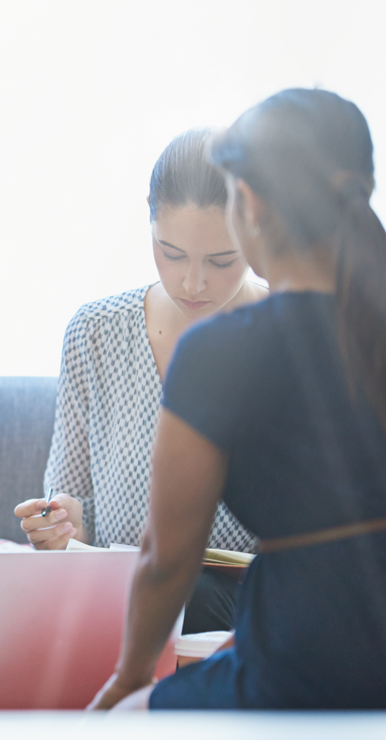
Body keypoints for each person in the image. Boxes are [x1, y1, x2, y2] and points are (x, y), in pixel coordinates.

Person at [92, 88, 386, 710]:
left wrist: (128, 682)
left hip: (301, 669)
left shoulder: (222, 352)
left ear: (248, 204)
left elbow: (168, 560)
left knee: (125, 718)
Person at [15, 129, 266, 633]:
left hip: (262, 612)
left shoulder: (303, 335)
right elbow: (73, 505)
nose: (193, 283)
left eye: (221, 261)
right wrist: (64, 524)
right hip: (124, 603)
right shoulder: (96, 334)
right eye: (172, 254)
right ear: (149, 225)